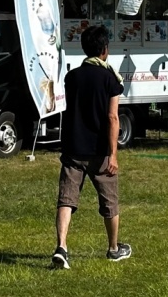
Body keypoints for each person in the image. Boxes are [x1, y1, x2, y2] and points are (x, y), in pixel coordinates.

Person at [51, 24, 130, 269]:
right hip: (99, 151)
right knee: (110, 201)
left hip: (73, 147)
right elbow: (112, 118)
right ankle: (113, 249)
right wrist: (113, 154)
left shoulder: (71, 77)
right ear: (105, 50)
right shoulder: (110, 79)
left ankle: (62, 247)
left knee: (66, 198)